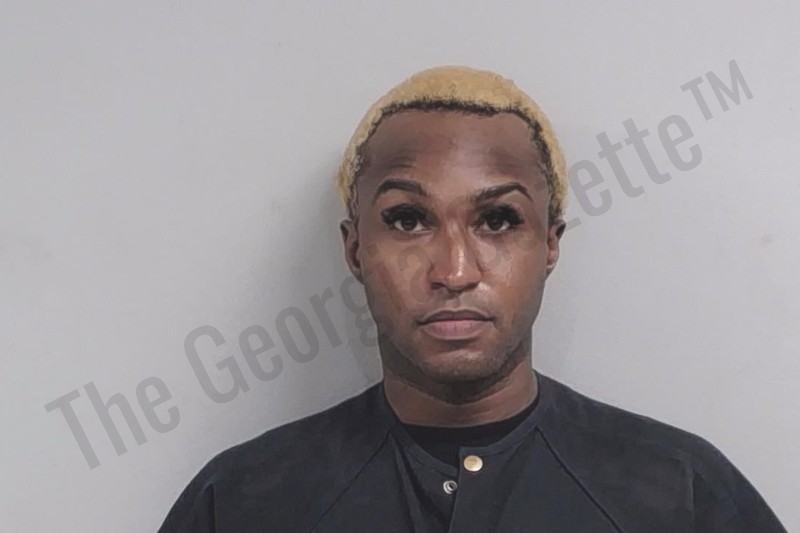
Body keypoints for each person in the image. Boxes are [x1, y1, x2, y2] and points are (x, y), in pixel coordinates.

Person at [158, 65, 786, 532]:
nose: (455, 271)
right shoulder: (242, 502)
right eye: (408, 220)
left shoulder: (681, 492)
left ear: (550, 245)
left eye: (498, 220)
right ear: (354, 249)